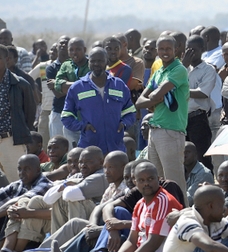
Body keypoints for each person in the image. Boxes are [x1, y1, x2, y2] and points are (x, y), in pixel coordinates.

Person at [14, 162, 183, 252]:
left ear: (158, 178)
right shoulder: (140, 204)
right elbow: (132, 241)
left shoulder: (163, 200)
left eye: (151, 179)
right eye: (142, 180)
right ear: (135, 182)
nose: (146, 183)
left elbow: (152, 243)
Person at [135, 35, 189, 196]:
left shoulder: (179, 69)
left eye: (168, 49)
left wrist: (152, 100)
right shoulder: (158, 72)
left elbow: (156, 95)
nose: (165, 52)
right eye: (161, 49)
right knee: (157, 182)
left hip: (171, 131)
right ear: (157, 50)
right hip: (155, 129)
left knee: (174, 182)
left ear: (176, 50)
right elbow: (140, 101)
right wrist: (153, 100)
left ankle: (182, 217)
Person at [61, 47, 136, 155]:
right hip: (89, 150)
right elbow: (66, 116)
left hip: (116, 148)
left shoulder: (119, 85)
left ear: (107, 62)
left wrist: (123, 124)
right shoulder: (77, 87)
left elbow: (130, 112)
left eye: (100, 61)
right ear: (88, 63)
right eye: (93, 61)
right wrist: (83, 126)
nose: (96, 64)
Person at [0, 155, 52, 252]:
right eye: (19, 169)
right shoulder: (19, 184)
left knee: (12, 209)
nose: (22, 172)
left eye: (27, 169)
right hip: (15, 231)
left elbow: (17, 201)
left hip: (33, 235)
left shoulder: (44, 184)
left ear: (38, 170)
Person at [0, 45, 36, 182]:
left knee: (17, 181)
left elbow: (30, 112)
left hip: (12, 142)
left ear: (7, 59)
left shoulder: (20, 84)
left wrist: (24, 134)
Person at [183, 35, 219, 171]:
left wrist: (183, 91)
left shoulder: (208, 69)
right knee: (183, 158)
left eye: (194, 50)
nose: (190, 53)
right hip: (181, 119)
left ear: (202, 49)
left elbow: (203, 93)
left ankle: (207, 186)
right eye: (188, 49)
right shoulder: (182, 68)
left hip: (197, 118)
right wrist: (183, 66)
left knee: (201, 156)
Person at [53, 38, 89, 147]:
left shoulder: (91, 64)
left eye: (78, 49)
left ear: (84, 49)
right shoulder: (66, 65)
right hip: (71, 119)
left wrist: (68, 85)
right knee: (72, 151)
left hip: (88, 118)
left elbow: (91, 85)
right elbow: (58, 84)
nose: (74, 52)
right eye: (71, 49)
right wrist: (79, 85)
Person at [183, 141, 213, 206]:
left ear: (196, 154)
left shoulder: (204, 173)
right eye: (182, 153)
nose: (184, 156)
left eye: (187, 152)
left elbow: (189, 200)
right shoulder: (180, 171)